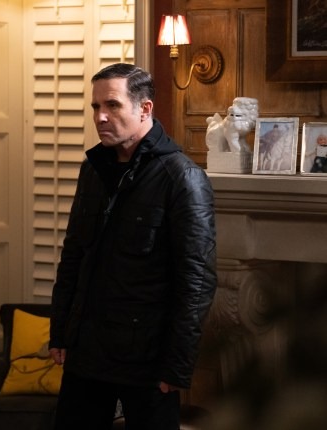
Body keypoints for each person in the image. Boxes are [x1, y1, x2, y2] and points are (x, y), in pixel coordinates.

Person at [48, 63, 217, 430]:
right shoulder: (93, 169)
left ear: (144, 108)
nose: (100, 117)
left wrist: (178, 363)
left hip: (147, 359)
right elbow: (73, 256)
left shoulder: (183, 177)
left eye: (112, 105)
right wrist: (60, 331)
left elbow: (197, 282)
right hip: (87, 350)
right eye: (96, 107)